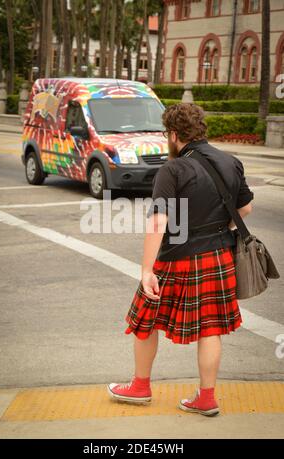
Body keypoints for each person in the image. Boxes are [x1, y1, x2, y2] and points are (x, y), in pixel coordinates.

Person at [107, 103, 254, 417]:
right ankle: (207, 397)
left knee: (144, 319)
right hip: (219, 255)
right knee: (210, 327)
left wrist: (147, 269)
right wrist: (218, 229)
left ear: (173, 135)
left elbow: (159, 222)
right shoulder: (231, 161)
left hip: (177, 257)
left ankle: (140, 386)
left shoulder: (172, 169)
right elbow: (245, 209)